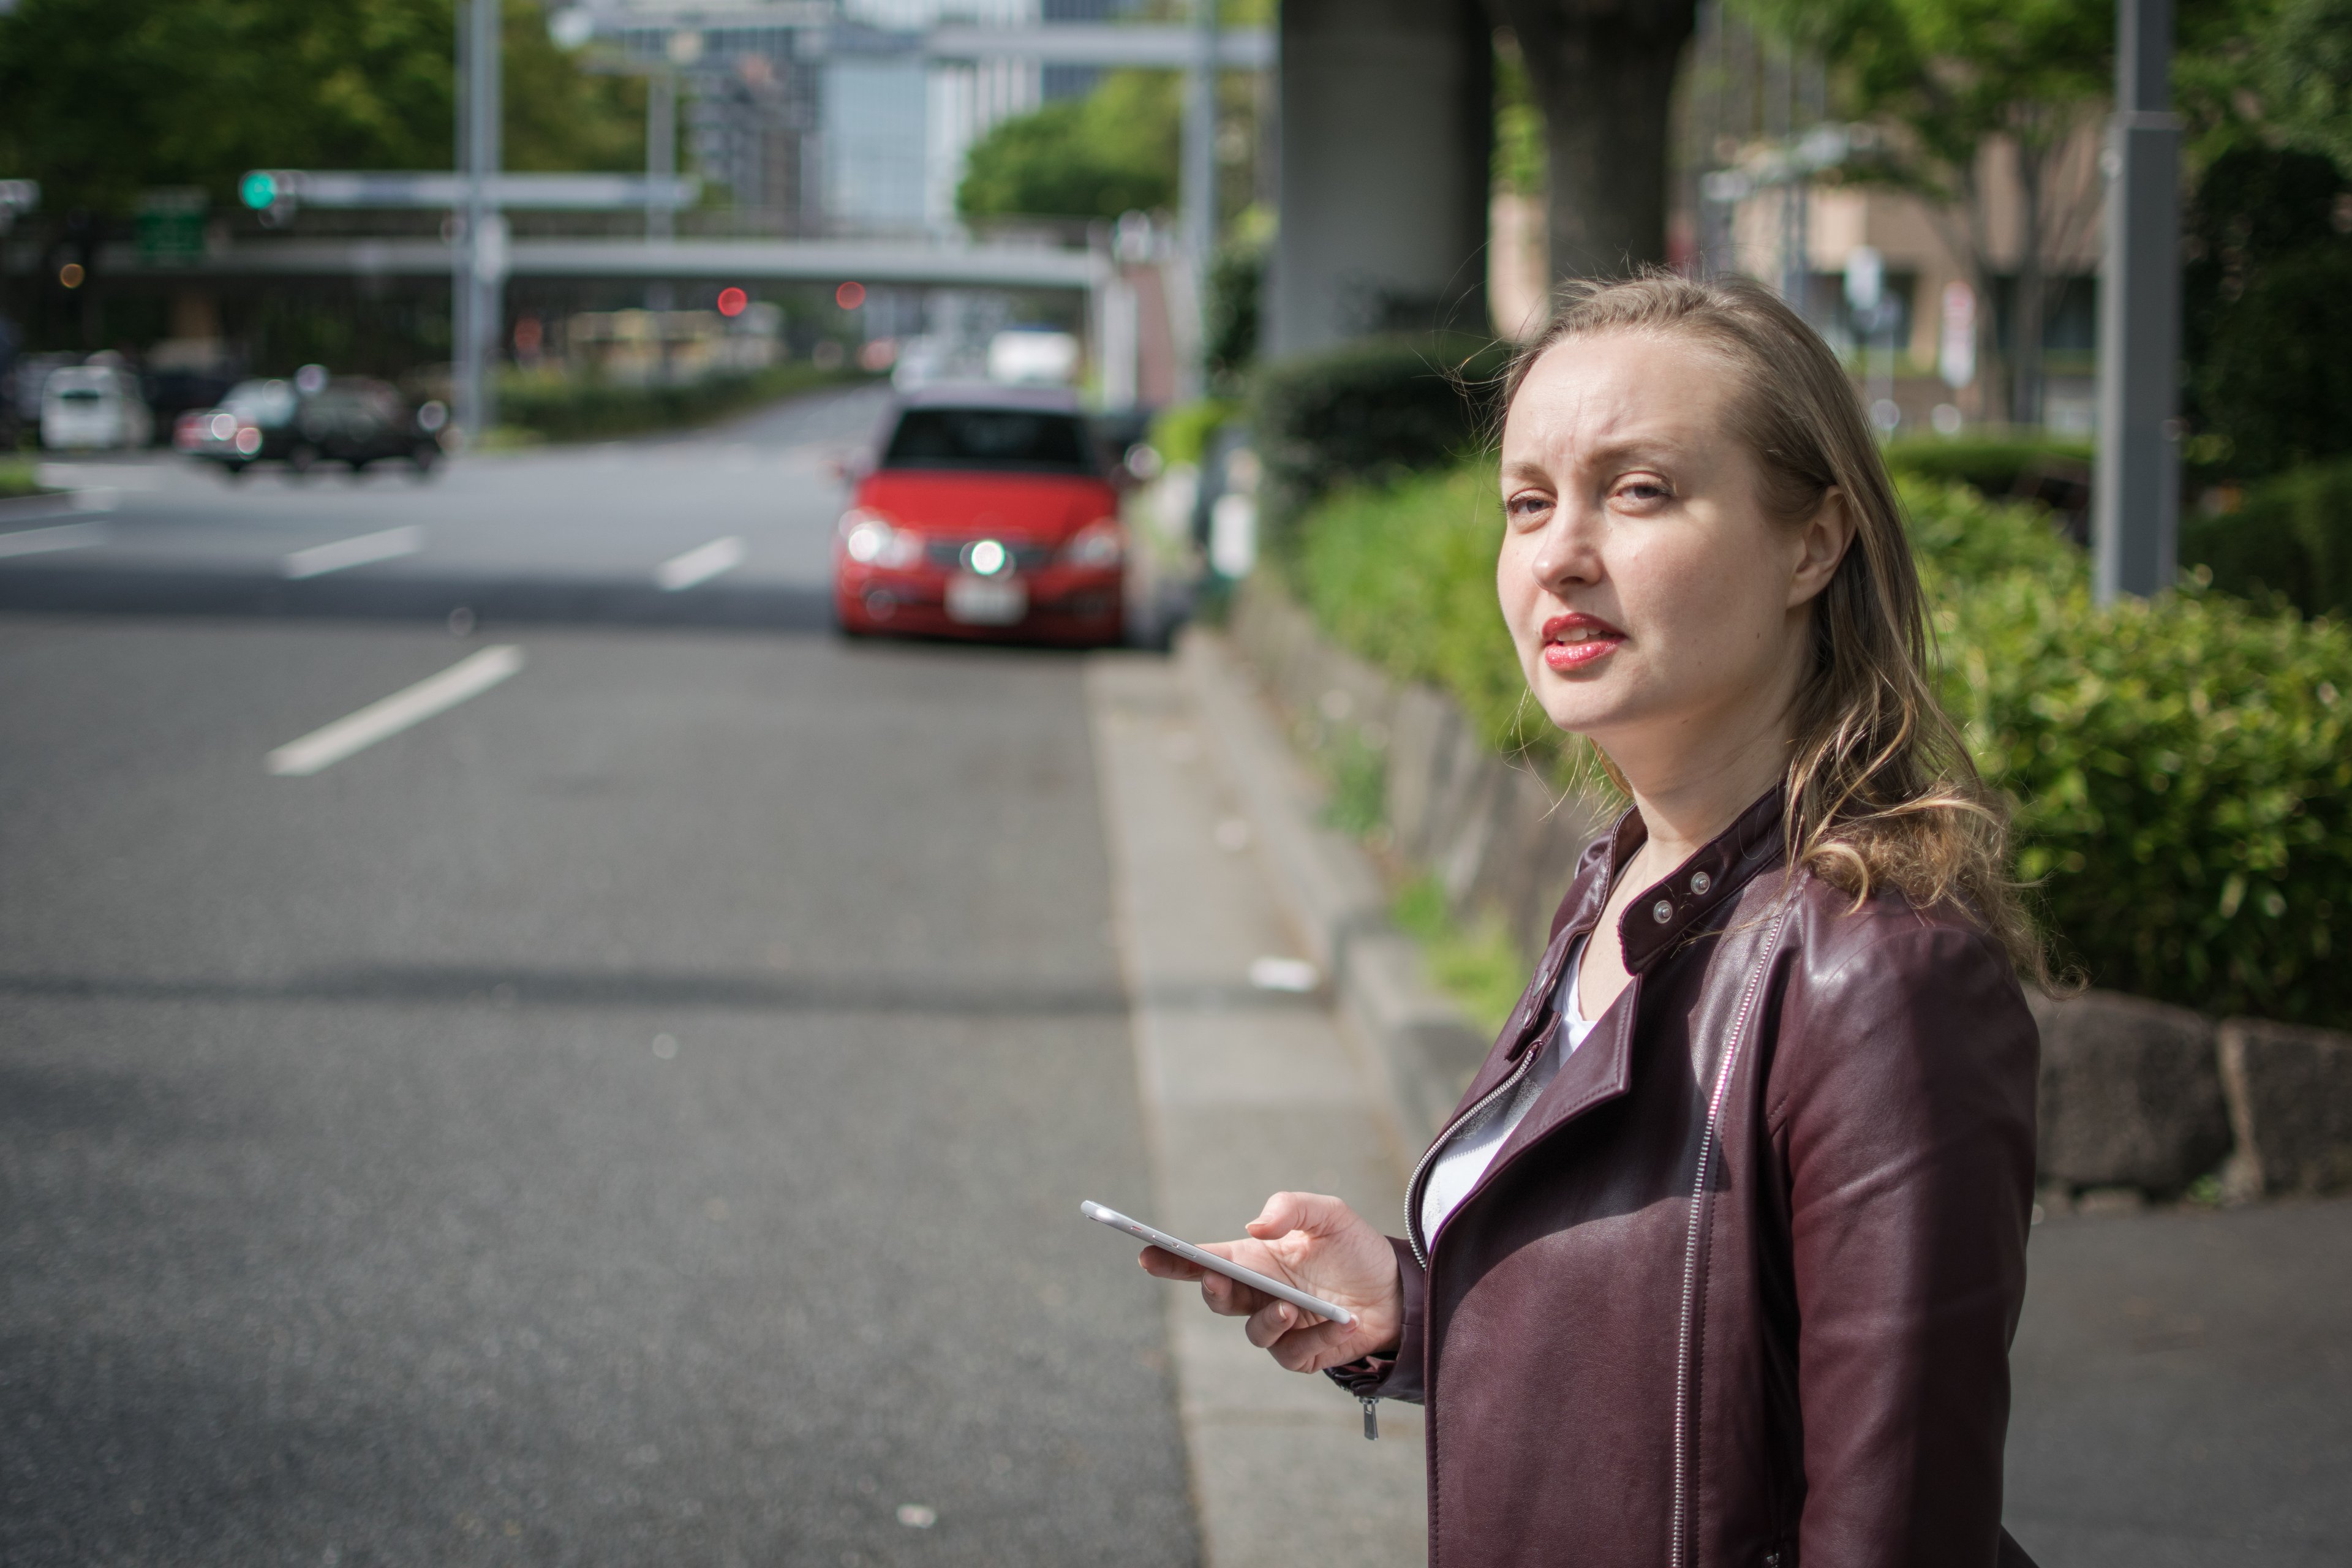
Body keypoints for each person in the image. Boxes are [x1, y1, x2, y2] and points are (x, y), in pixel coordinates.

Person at [1141, 273, 2043, 1567]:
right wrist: (1411, 1305)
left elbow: (1898, 1526)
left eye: (1639, 491)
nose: (1560, 551)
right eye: (1528, 500)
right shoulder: (1623, 879)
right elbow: (1687, 1378)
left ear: (1814, 541)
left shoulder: (1877, 973)